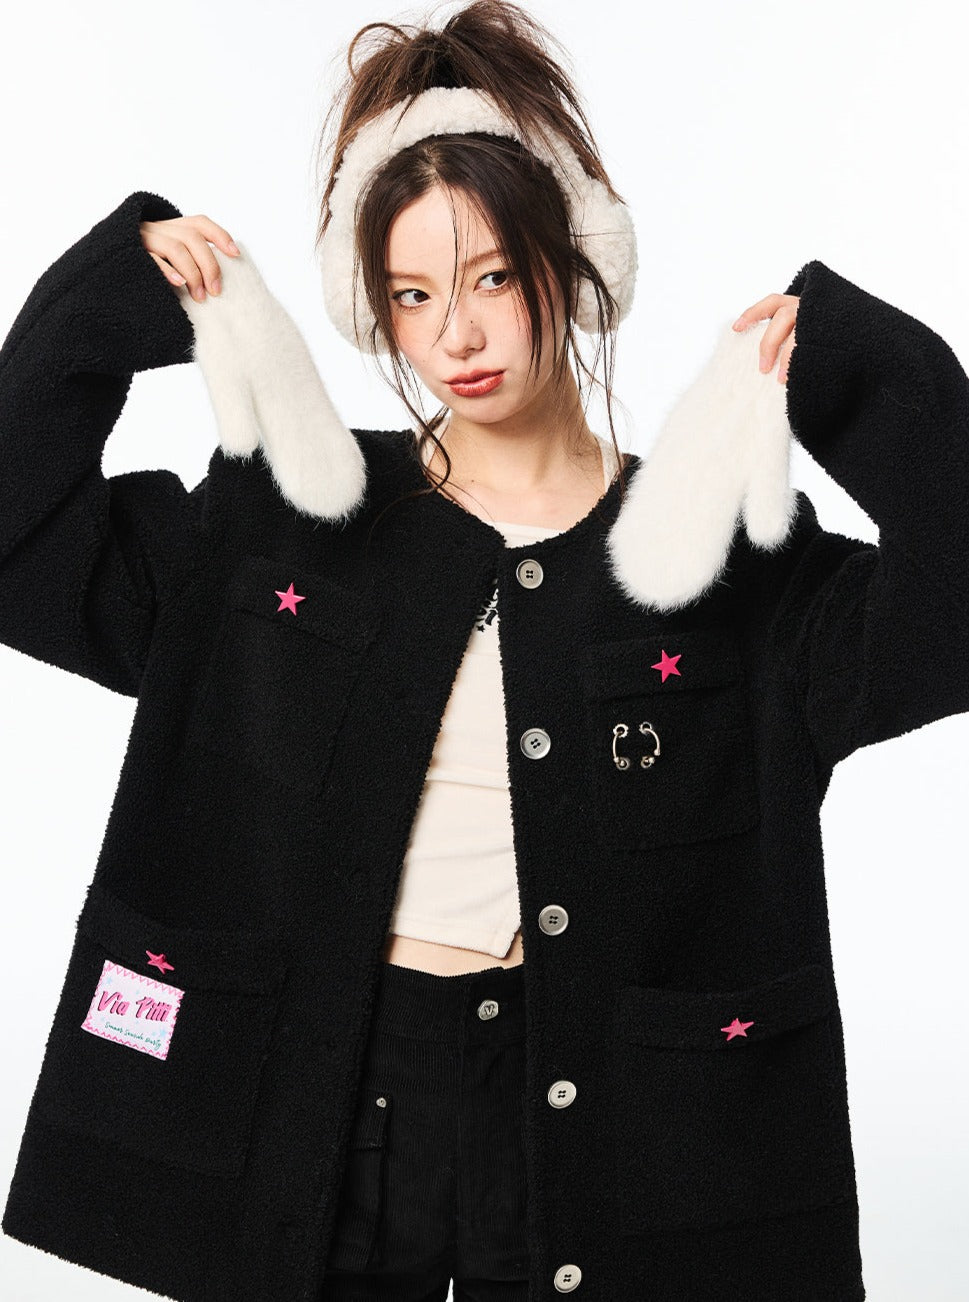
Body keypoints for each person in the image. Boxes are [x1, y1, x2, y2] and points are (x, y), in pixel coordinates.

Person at [3, 2, 968, 1300]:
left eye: (492, 278)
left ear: (572, 263)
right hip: (327, 1102)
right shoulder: (276, 526)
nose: (452, 335)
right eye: (412, 294)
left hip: (601, 1120)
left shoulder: (730, 569)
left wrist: (859, 371)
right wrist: (108, 299)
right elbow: (17, 542)